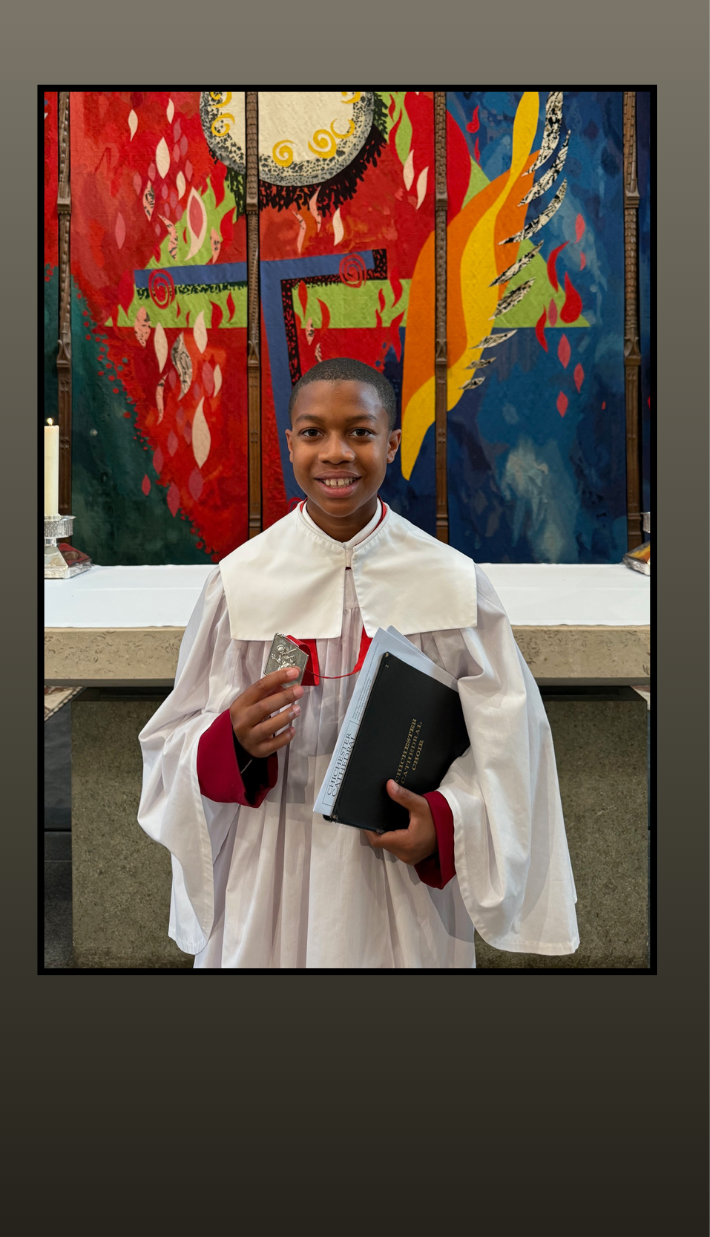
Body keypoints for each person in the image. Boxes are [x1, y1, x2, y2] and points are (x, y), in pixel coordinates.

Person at [138, 357, 578, 967]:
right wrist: (230, 739)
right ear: (289, 445)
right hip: (272, 859)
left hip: (393, 860)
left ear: (392, 444)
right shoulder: (240, 583)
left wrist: (446, 819)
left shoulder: (449, 583)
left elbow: (512, 744)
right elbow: (170, 742)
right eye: (314, 433)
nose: (336, 453)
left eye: (361, 433)